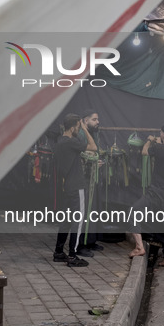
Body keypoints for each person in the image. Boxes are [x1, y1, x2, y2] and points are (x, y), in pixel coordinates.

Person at [129, 123, 164, 268]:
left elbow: (145, 152)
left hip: (157, 192)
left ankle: (139, 247)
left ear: (162, 134)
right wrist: (159, 142)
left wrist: (150, 140)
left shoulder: (158, 148)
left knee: (134, 212)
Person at [53, 113, 98, 267]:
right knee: (78, 222)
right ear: (73, 127)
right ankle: (72, 256)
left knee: (66, 221)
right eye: (78, 127)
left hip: (67, 187)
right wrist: (85, 130)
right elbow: (93, 147)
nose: (78, 130)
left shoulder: (61, 141)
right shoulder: (71, 142)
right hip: (77, 186)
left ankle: (59, 252)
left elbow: (72, 159)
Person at [76, 109, 105, 255]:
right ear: (85, 121)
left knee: (93, 210)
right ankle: (81, 245)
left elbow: (93, 153)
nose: (97, 122)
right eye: (94, 119)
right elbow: (80, 154)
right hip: (84, 179)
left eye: (97, 119)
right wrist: (92, 162)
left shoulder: (94, 133)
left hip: (93, 177)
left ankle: (91, 241)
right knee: (85, 211)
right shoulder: (81, 134)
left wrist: (97, 161)